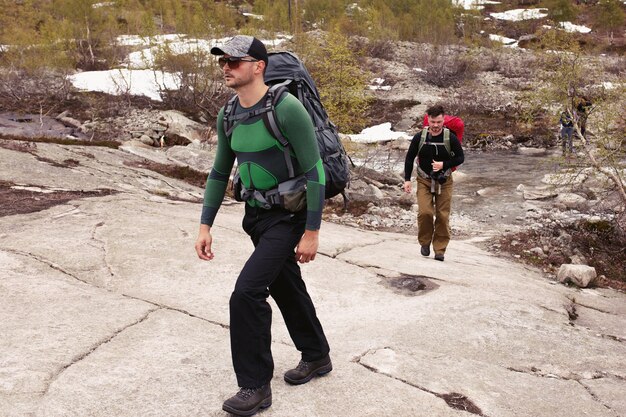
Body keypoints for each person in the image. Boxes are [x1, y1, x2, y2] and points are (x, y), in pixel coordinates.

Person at [194, 35, 331, 416]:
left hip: (288, 216)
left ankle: (254, 386)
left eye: (235, 61)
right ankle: (317, 355)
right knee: (285, 284)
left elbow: (315, 172)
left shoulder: (286, 109)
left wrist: (312, 231)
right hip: (255, 216)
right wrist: (206, 225)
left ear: (258, 66)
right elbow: (220, 172)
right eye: (222, 61)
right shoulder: (229, 114)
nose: (226, 67)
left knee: (247, 294)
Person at [403, 105, 464, 262]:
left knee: (442, 216)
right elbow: (410, 158)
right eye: (432, 122)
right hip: (424, 179)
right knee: (425, 212)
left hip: (445, 180)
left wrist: (443, 165)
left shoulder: (450, 137)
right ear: (427, 120)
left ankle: (440, 249)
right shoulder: (419, 137)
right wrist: (407, 180)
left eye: (438, 122)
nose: (435, 125)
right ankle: (425, 242)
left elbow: (460, 157)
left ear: (443, 120)